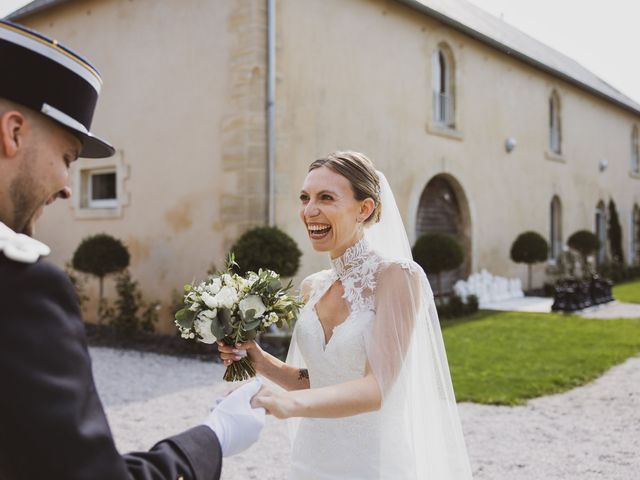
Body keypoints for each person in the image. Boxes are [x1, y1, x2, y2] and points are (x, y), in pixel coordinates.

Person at [0, 19, 265, 480]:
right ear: (14, 132)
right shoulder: (21, 289)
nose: (67, 187)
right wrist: (213, 437)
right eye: (67, 158)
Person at [219, 151, 474, 479]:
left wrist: (290, 405)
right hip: (311, 457)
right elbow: (325, 379)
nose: (310, 210)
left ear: (364, 209)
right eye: (305, 198)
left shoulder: (397, 276)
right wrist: (261, 361)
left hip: (371, 462)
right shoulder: (313, 287)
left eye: (326, 198)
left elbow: (377, 387)